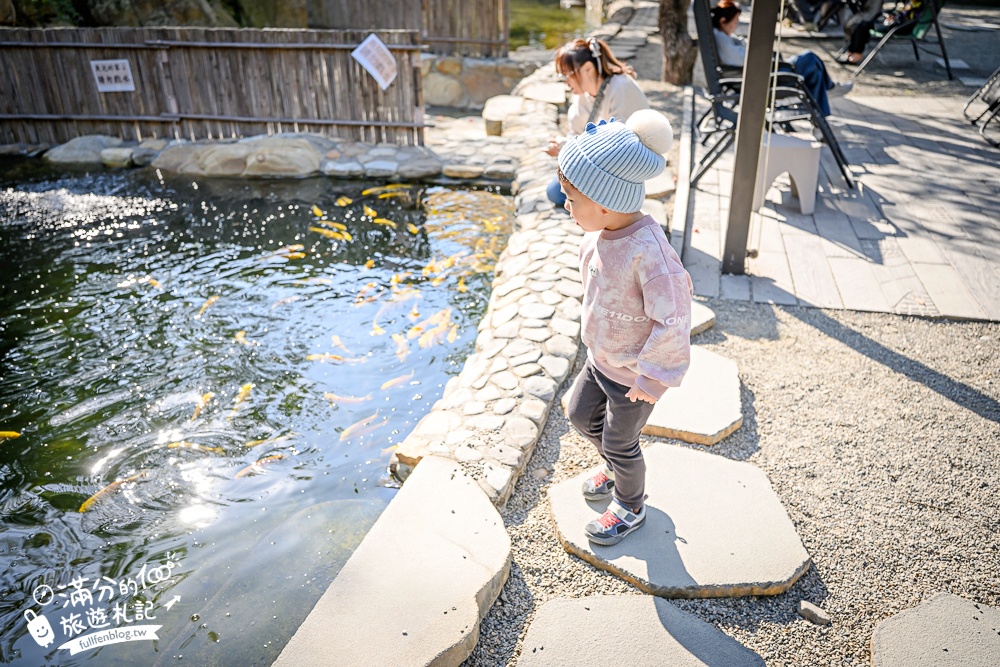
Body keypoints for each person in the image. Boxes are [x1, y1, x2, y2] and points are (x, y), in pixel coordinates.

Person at [557, 110, 692, 546]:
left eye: (571, 199)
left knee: (620, 440)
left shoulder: (649, 255)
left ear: (604, 202)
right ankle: (618, 467)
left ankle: (631, 505)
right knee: (578, 414)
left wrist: (654, 376)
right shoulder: (598, 234)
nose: (566, 206)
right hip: (602, 360)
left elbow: (673, 318)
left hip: (634, 375)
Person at [545, 37, 650, 207]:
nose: (566, 82)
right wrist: (562, 146)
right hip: (599, 165)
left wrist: (566, 147)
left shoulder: (621, 88)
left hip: (624, 169)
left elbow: (618, 146)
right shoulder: (583, 94)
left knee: (564, 195)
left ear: (587, 69)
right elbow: (576, 133)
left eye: (568, 75)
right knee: (555, 192)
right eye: (562, 76)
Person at [711, 0, 851, 117]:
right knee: (809, 58)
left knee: (815, 73)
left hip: (764, 73)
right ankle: (829, 91)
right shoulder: (723, 41)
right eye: (735, 22)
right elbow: (745, 59)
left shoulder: (723, 37)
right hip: (765, 76)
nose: (736, 26)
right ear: (723, 21)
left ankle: (820, 117)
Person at [837, 0, 925, 65]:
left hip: (904, 27)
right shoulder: (913, 2)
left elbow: (910, 16)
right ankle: (852, 52)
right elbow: (903, 11)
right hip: (898, 23)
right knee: (862, 23)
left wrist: (895, 17)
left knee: (864, 25)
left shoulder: (921, 3)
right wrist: (893, 15)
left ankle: (856, 54)